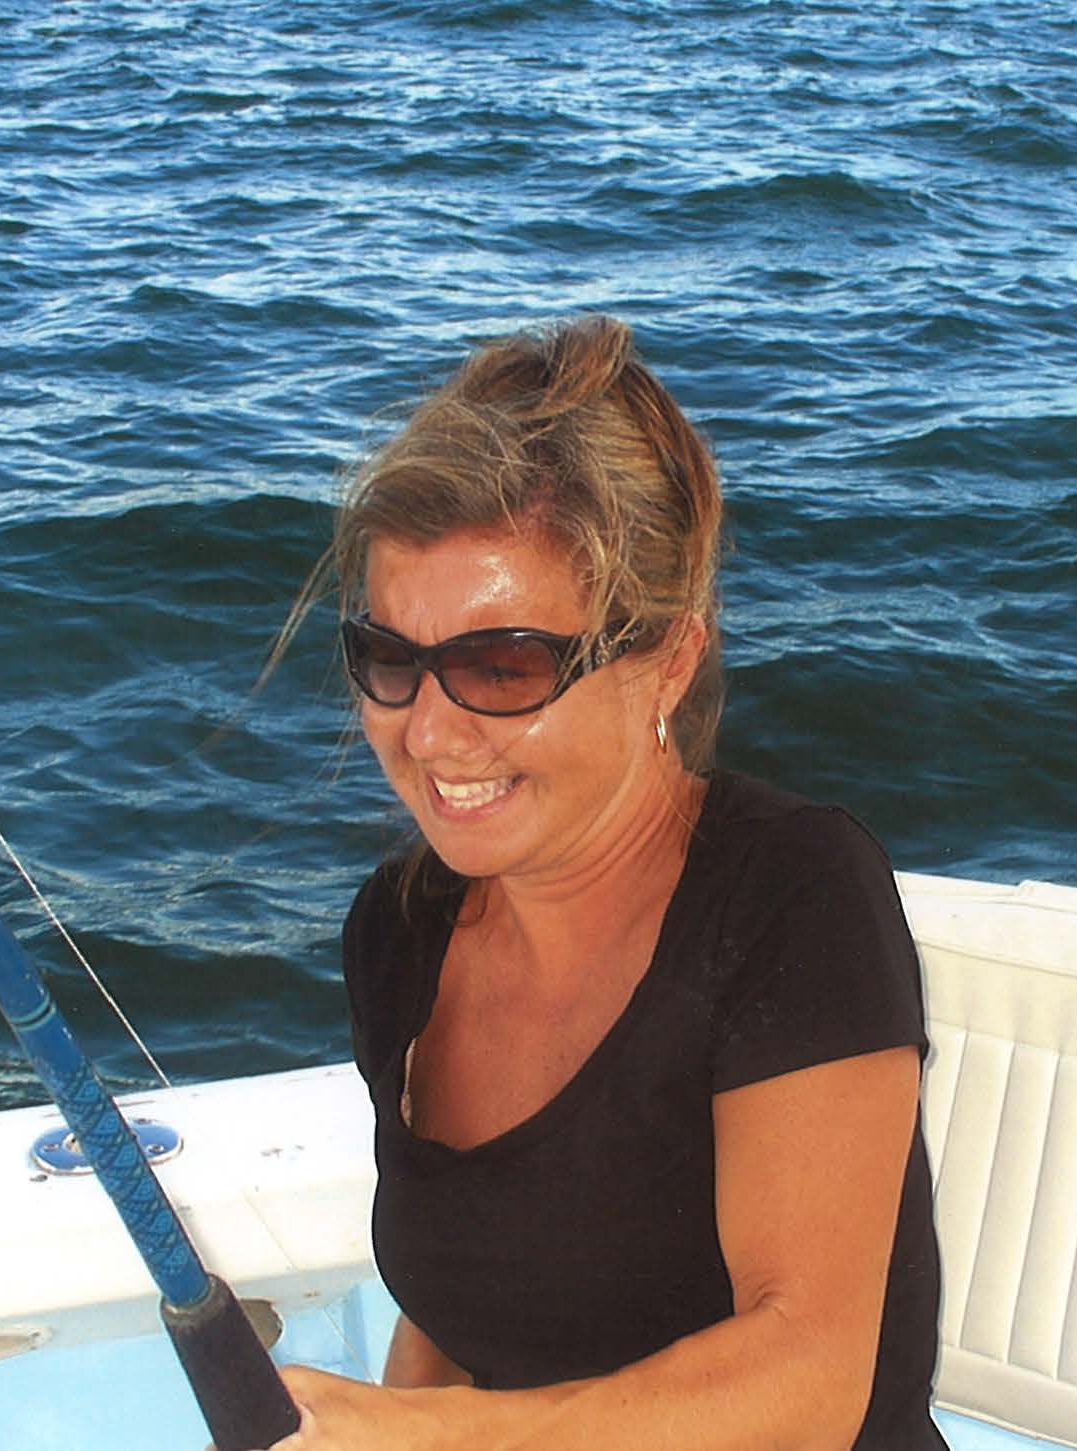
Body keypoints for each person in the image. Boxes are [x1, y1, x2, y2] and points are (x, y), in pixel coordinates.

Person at [268, 316, 946, 1450]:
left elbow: (809, 1377)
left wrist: (425, 1438)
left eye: (502, 666)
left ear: (668, 661)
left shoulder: (795, 894)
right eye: (391, 658)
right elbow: (453, 1311)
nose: (427, 731)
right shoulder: (400, 927)